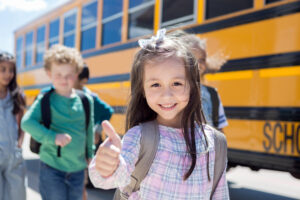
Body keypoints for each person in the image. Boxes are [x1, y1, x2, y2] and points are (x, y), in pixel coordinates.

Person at [88, 30, 229, 199]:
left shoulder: (215, 143)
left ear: (192, 85)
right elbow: (113, 178)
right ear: (143, 90)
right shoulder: (140, 137)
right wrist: (106, 166)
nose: (167, 95)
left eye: (177, 83)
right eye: (155, 85)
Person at [21, 44, 94, 200]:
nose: (64, 79)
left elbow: (88, 129)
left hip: (78, 170)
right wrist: (53, 137)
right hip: (52, 168)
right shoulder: (46, 99)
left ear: (76, 74)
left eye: (69, 75)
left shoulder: (86, 100)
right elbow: (26, 122)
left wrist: (90, 153)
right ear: (49, 74)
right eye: (58, 74)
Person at [170, 31, 228, 131]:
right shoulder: (172, 92)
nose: (198, 64)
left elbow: (219, 130)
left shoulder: (212, 94)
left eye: (202, 59)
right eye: (192, 59)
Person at [74, 65, 114, 200]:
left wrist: (97, 130)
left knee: (80, 183)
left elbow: (108, 110)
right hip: (71, 145)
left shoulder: (89, 96)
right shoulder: (66, 95)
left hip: (84, 146)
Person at [0, 51, 26, 200]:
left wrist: (20, 142)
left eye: (11, 70)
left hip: (14, 156)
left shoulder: (17, 95)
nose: (7, 74)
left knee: (17, 195)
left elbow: (23, 122)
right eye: (2, 69)